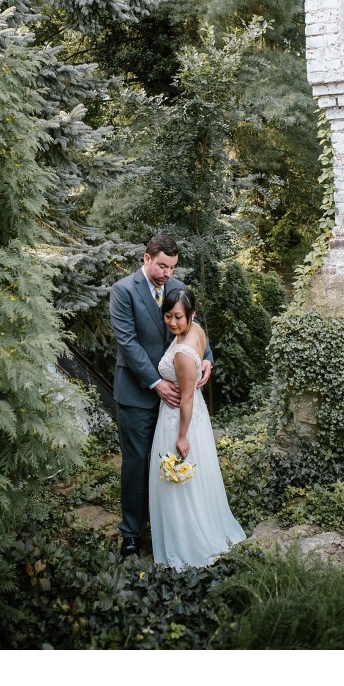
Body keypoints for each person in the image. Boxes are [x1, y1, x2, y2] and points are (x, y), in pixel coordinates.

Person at [109, 234, 212, 558]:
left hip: (174, 400)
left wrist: (207, 357)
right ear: (147, 258)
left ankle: (168, 525)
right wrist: (155, 382)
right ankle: (131, 533)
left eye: (172, 267)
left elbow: (193, 326)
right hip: (138, 393)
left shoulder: (176, 287)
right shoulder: (123, 291)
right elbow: (128, 342)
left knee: (170, 460)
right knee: (137, 464)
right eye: (163, 266)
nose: (168, 274)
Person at [148, 287, 245, 570]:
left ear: (192, 315)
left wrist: (181, 436)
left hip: (180, 420)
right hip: (193, 416)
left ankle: (187, 543)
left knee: (178, 482)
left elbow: (186, 398)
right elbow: (202, 356)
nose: (172, 323)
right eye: (167, 316)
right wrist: (206, 361)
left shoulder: (182, 354)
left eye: (178, 317)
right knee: (194, 481)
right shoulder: (197, 331)